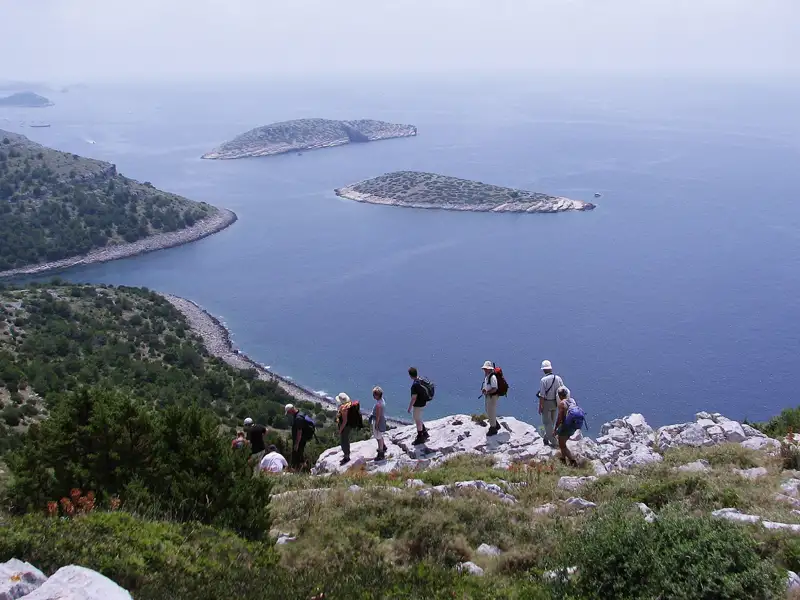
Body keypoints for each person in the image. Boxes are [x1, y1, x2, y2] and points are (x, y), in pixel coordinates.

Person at [538, 360, 564, 447]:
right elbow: (562, 390)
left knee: (547, 422)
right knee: (552, 422)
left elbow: (542, 395)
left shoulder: (543, 380)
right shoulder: (558, 378)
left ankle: (554, 442)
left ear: (544, 370)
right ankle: (546, 438)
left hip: (546, 403)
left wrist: (540, 406)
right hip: (556, 403)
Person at [553, 386, 579, 466]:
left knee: (562, 444)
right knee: (562, 443)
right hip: (573, 426)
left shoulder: (562, 403)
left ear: (559, 396)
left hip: (566, 427)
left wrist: (555, 429)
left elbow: (559, 418)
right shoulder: (572, 400)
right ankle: (563, 459)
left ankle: (573, 461)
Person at [407, 367, 430, 445]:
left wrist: (409, 408)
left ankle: (420, 437)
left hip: (418, 404)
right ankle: (425, 433)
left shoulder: (414, 385)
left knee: (417, 420)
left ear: (410, 375)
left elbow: (414, 398)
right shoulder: (420, 380)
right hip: (423, 403)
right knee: (419, 418)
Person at [481, 361, 500, 436]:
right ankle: (495, 424)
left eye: (486, 369)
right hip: (489, 396)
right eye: (484, 369)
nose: (484, 370)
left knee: (491, 411)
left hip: (492, 396)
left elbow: (495, 388)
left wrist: (487, 392)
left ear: (489, 369)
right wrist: (484, 389)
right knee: (488, 410)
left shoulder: (492, 377)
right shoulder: (488, 376)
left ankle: (493, 429)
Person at [335, 392, 355, 466]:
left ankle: (346, 456)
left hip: (345, 427)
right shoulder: (348, 404)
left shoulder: (344, 409)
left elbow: (344, 421)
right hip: (348, 425)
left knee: (344, 441)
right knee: (345, 440)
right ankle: (346, 454)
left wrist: (340, 430)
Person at [369, 386, 387, 460]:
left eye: (374, 394)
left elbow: (378, 416)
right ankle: (383, 446)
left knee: (378, 437)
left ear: (377, 395)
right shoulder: (382, 401)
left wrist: (376, 424)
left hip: (378, 421)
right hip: (382, 420)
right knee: (380, 436)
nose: (373, 396)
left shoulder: (378, 405)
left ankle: (381, 453)